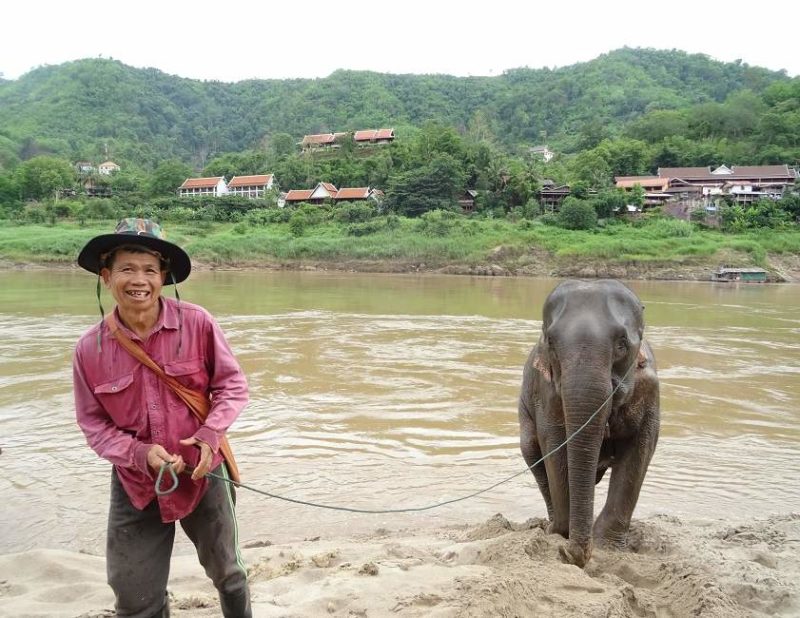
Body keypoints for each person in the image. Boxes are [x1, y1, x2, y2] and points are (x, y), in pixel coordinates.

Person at [72, 218, 251, 617]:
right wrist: (139, 454)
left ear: (163, 277)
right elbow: (93, 425)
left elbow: (232, 387)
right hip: (137, 484)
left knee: (230, 573)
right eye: (127, 269)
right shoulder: (89, 349)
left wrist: (209, 435)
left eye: (150, 270)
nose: (139, 280)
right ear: (106, 277)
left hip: (204, 475)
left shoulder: (199, 323)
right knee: (134, 597)